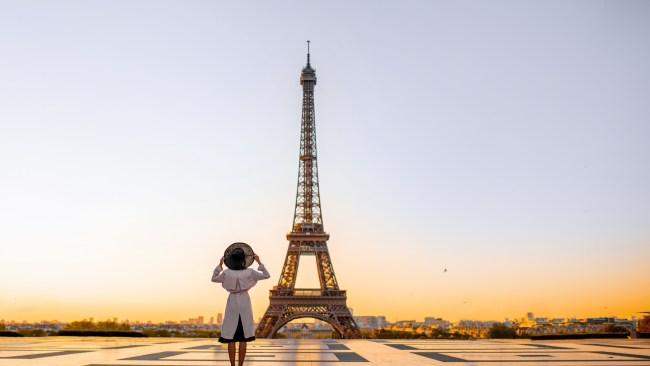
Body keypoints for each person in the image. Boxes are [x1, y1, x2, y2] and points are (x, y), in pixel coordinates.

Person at [211, 248, 270, 366]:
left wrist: (220, 265)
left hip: (232, 302)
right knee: (243, 339)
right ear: (244, 259)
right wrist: (259, 261)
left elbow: (214, 279)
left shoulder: (227, 272)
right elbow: (266, 275)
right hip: (244, 302)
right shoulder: (250, 272)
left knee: (230, 338)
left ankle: (232, 365)